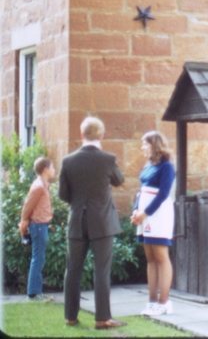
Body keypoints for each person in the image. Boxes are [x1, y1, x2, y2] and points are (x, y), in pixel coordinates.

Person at [59, 116, 126, 329]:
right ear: (102, 135)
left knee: (73, 270)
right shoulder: (108, 158)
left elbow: (63, 194)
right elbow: (119, 180)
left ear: (81, 135)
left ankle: (70, 316)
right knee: (102, 271)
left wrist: (79, 204)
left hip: (77, 221)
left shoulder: (68, 161)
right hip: (103, 222)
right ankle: (103, 318)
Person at [131, 131, 176, 316]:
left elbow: (163, 194)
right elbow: (141, 191)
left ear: (155, 145)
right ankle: (151, 301)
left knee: (161, 256)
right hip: (144, 214)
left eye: (145, 144)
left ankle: (164, 302)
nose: (142, 147)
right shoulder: (148, 165)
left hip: (158, 214)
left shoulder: (167, 167)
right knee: (150, 257)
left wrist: (145, 213)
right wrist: (136, 210)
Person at [18, 156, 56, 302]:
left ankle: (37, 292)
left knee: (39, 258)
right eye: (52, 168)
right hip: (38, 226)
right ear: (45, 170)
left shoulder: (44, 184)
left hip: (42, 226)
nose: (54, 170)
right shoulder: (38, 186)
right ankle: (33, 294)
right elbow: (27, 207)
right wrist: (23, 224)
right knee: (38, 258)